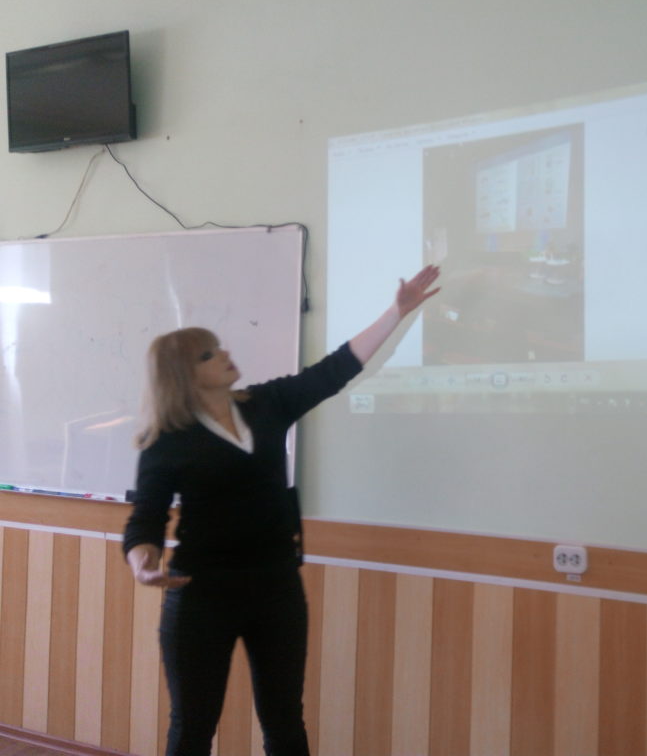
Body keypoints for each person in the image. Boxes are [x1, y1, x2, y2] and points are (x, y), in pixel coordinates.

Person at [123, 265, 440, 756]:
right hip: (200, 594)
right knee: (192, 726)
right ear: (184, 375)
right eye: (209, 354)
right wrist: (142, 561)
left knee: (285, 720)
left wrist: (395, 313)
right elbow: (146, 517)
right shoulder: (168, 440)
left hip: (276, 588)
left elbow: (333, 370)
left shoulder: (265, 404)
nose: (224, 354)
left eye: (218, 346)